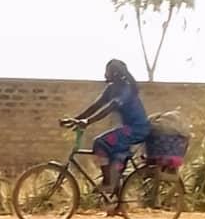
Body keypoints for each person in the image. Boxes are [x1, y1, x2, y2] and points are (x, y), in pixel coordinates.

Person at [61, 59, 150, 195]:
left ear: (115, 73)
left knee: (100, 142)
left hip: (137, 129)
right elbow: (96, 106)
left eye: (107, 71)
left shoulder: (126, 89)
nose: (104, 74)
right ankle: (116, 193)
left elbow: (110, 107)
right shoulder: (111, 89)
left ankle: (107, 183)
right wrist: (77, 119)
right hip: (128, 129)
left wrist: (88, 121)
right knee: (112, 154)